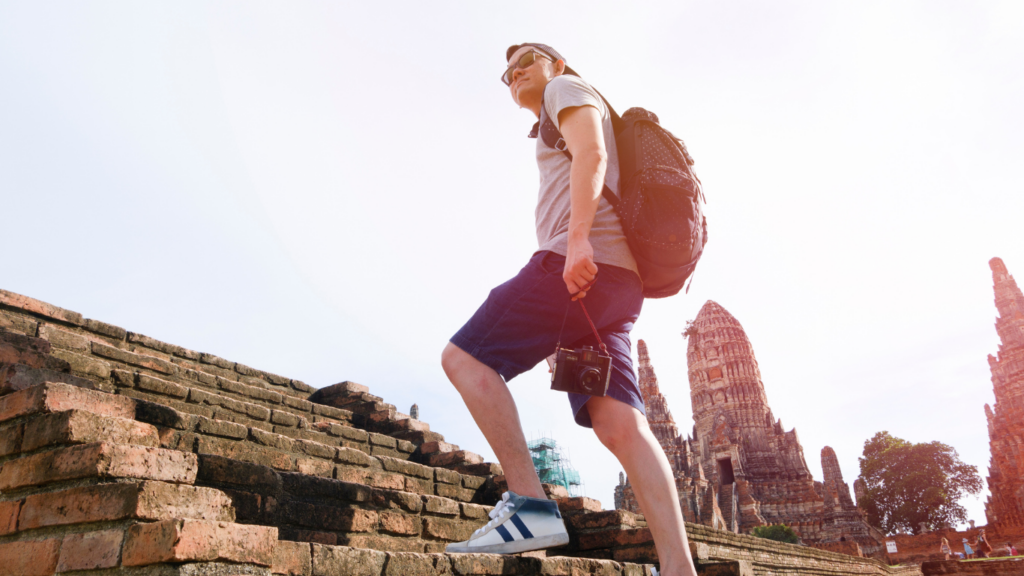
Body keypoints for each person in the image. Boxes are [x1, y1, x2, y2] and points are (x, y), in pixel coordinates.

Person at [440, 43, 699, 576]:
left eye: (527, 61)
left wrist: (577, 241)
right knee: (619, 423)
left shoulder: (566, 89)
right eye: (507, 73)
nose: (515, 73)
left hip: (577, 265)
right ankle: (679, 569)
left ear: (557, 65)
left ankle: (530, 506)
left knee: (465, 359)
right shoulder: (551, 113)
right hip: (617, 284)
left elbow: (592, 155)